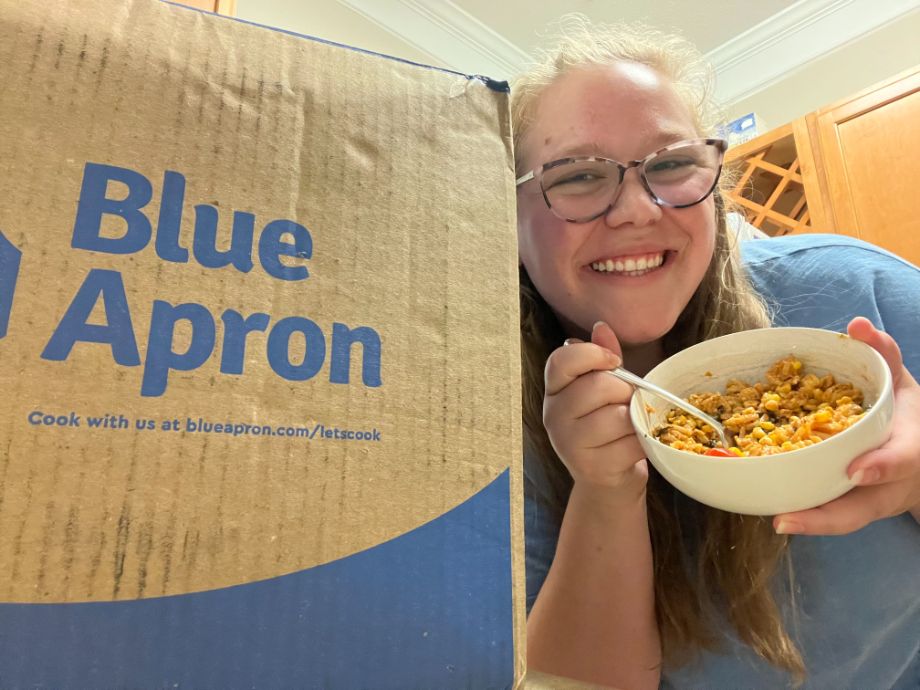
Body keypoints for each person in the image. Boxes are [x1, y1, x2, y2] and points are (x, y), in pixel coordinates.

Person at [513, 17, 920, 690]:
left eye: (671, 165)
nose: (637, 210)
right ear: (510, 215)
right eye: (579, 176)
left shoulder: (859, 295)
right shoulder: (495, 439)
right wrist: (603, 492)